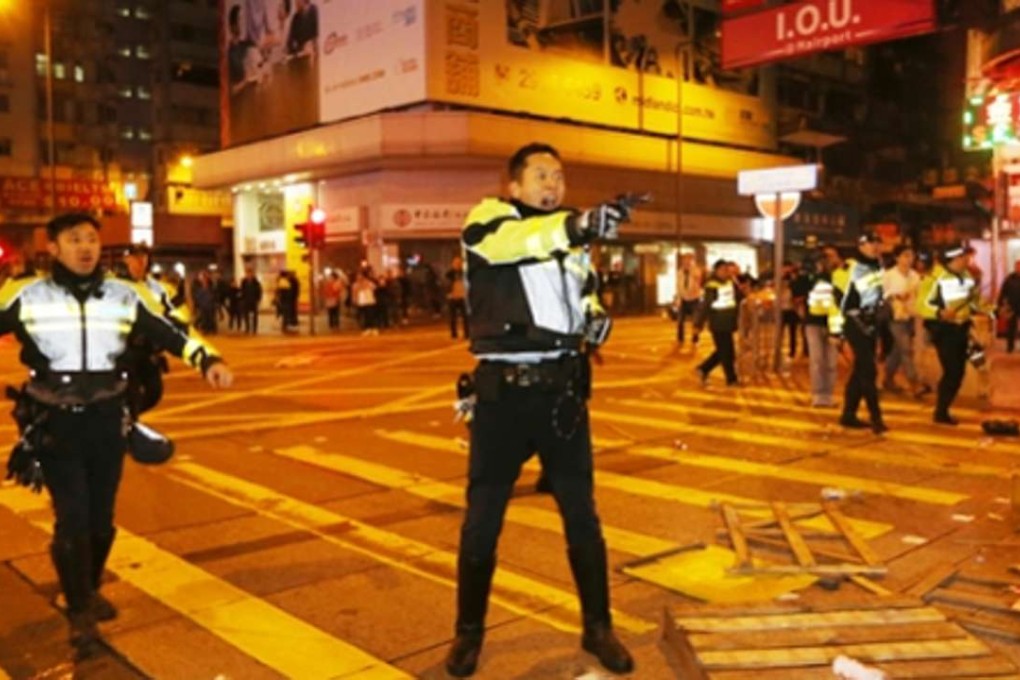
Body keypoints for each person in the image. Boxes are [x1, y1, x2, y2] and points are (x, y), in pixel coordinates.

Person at [1, 213, 233, 659]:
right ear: (54, 248)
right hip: (55, 419)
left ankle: (84, 588)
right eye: (74, 240)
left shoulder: (125, 295)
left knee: (101, 519)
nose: (85, 247)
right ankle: (82, 614)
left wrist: (208, 361)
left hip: (108, 417)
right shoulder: (26, 292)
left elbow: (173, 332)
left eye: (91, 238)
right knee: (72, 517)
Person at [446, 142, 632, 677]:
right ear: (515, 186)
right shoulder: (489, 221)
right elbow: (516, 245)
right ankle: (468, 635)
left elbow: (586, 295)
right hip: (503, 398)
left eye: (559, 175)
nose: (553, 184)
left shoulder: (572, 245)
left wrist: (596, 319)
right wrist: (579, 226)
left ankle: (598, 627)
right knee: (483, 521)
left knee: (583, 516)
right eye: (542, 174)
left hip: (562, 396)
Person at [918, 244, 985, 425]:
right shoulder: (934, 278)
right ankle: (941, 411)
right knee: (952, 372)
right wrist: (940, 312)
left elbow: (975, 302)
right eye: (964, 257)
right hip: (944, 331)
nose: (967, 260)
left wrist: (993, 310)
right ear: (954, 258)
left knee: (958, 372)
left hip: (962, 329)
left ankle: (942, 409)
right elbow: (921, 305)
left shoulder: (967, 276)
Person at [838, 233, 888, 434]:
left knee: (860, 371)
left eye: (877, 243)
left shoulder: (877, 265)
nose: (875, 247)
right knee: (869, 371)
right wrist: (837, 332)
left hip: (871, 321)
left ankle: (848, 415)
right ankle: (876, 418)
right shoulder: (850, 268)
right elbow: (838, 301)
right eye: (870, 244)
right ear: (860, 246)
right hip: (854, 321)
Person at [881, 246, 929, 397]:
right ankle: (914, 383)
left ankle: (888, 379)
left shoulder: (914, 276)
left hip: (910, 315)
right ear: (897, 258)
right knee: (906, 349)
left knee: (898, 350)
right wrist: (895, 296)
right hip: (894, 316)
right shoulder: (888, 275)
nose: (909, 259)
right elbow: (881, 293)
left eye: (911, 256)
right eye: (905, 255)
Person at [694, 259, 741, 387]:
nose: (726, 272)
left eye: (727, 269)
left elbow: (738, 298)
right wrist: (698, 324)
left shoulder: (730, 282)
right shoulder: (711, 286)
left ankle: (703, 369)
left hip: (728, 323)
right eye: (723, 270)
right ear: (716, 270)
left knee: (724, 352)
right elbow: (705, 306)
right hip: (718, 324)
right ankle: (731, 380)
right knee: (726, 353)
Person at [802, 253, 839, 407]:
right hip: (813, 324)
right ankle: (818, 394)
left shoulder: (839, 280)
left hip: (833, 325)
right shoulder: (808, 280)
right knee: (817, 360)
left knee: (831, 362)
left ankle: (828, 394)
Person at [674, 252, 703, 346]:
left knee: (695, 321)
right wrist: (678, 298)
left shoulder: (696, 271)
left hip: (694, 299)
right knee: (680, 321)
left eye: (688, 260)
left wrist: (691, 270)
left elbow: (698, 280)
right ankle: (680, 339)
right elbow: (678, 286)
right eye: (684, 260)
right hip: (683, 299)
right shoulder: (680, 272)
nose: (686, 262)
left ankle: (695, 339)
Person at [998, 259, 1020, 353]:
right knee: (1011, 327)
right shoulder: (1010, 278)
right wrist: (1000, 303)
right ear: (1015, 267)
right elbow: (1003, 291)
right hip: (1012, 306)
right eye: (1017, 266)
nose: (1018, 268)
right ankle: (1010, 347)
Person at [447, 256, 469, 339]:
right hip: (453, 297)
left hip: (463, 296)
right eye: (456, 263)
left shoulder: (464, 273)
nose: (458, 265)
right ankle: (454, 334)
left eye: (459, 263)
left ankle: (467, 333)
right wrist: (448, 293)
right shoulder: (449, 274)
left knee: (465, 317)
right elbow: (446, 284)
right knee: (453, 317)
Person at [239, 266, 263, 334]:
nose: (249, 275)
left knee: (255, 316)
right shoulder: (243, 282)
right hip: (246, 301)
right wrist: (242, 299)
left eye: (250, 273)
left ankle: (254, 329)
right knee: (246, 315)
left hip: (254, 301)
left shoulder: (256, 282)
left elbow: (259, 291)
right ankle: (247, 328)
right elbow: (242, 291)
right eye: (247, 273)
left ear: (252, 274)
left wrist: (258, 299)